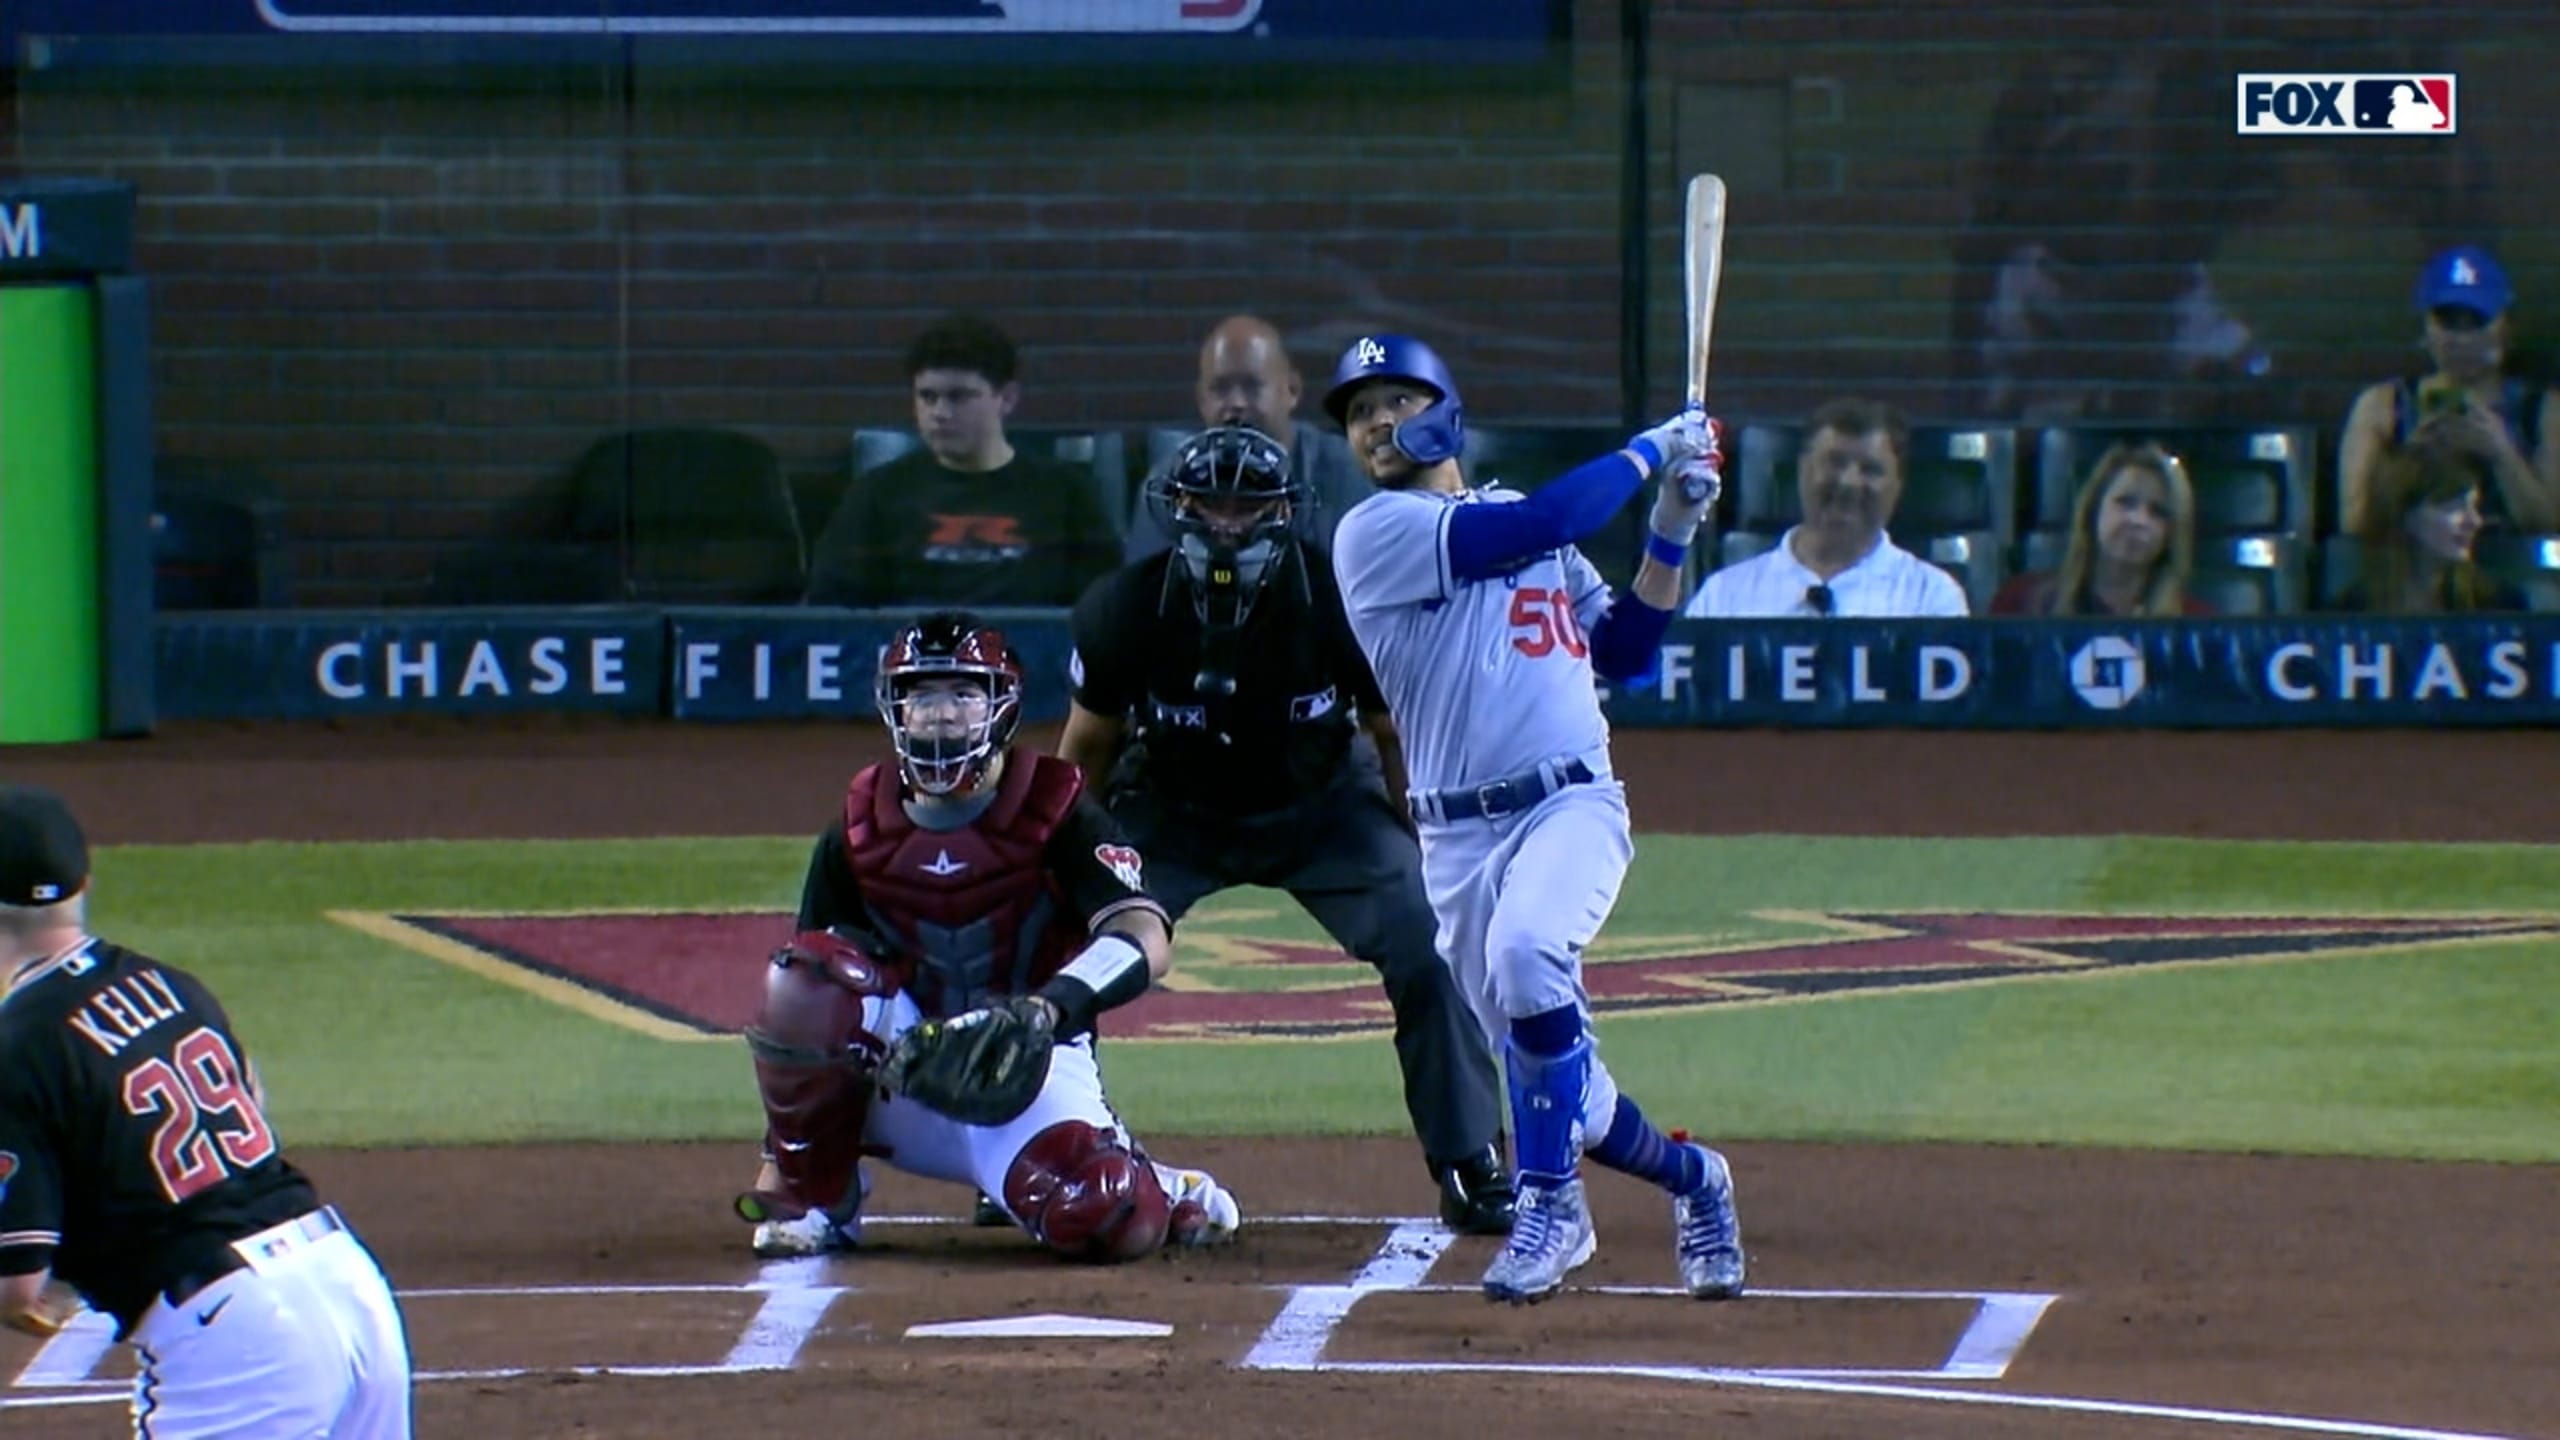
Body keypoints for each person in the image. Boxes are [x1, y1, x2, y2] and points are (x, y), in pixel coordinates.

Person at [1320, 333, 1746, 1306]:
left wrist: (1671, 531)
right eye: (1358, 413)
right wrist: (1655, 450)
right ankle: (1698, 1179)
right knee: (1569, 1097)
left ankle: (1549, 1204)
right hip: (1455, 841)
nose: (1376, 424)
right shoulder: (1374, 533)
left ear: (1447, 411)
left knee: (1526, 954)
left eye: (1395, 401)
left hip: (1569, 801)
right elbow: (1551, 516)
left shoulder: (1520, 521)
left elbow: (1624, 653)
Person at [1060, 423, 1515, 1236]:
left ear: (1283, 511)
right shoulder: (1123, 605)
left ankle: (1469, 1155)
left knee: (1429, 937)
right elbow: (1086, 750)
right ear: (1178, 506)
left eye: (1249, 506)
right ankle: (1038, 1142)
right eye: (1211, 503)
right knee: (1057, 939)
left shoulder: (1342, 596)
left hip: (1322, 806)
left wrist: (1432, 851)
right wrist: (1062, 868)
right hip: (1171, 808)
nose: (1227, 524)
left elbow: (1392, 734)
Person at [736, 612, 1242, 1262]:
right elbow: (807, 992)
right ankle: (819, 1197)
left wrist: (1047, 1008)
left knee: (1103, 1216)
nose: (942, 715)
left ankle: (1160, 1188)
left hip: (1029, 1062)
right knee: (805, 980)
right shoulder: (862, 821)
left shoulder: (1057, 808)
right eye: (923, 696)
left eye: (963, 694)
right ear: (895, 708)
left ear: (1001, 707)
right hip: (909, 1066)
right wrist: (779, 1165)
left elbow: (1143, 933)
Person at [0, 785, 413, 1437]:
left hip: (239, 1339)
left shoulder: (16, 1044)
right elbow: (253, 1109)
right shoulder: (172, 984)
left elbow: (18, 1287)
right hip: (349, 1283)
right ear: (85, 882)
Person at [804, 313, 1122, 608]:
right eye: (927, 397)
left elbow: (1104, 610)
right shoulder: (877, 495)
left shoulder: (1065, 494)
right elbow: (832, 612)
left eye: (958, 397)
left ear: (1007, 398)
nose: (940, 413)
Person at [2337, 246, 2559, 535]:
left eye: (2476, 322)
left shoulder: (2541, 411)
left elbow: (2552, 527)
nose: (2462, 339)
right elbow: (2354, 526)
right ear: (2426, 330)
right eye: (2449, 323)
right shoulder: (2384, 406)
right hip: (2414, 562)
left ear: (2506, 329)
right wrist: (2412, 461)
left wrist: (2502, 453)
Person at [1683, 398, 1972, 619]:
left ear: (1897, 485)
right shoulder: (1724, 596)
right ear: (1802, 470)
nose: (1849, 483)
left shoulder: (1931, 597)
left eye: (1870, 469)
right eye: (1835, 462)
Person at [1122, 315, 1373, 560]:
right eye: (1220, 388)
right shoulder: (1167, 483)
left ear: (1292, 390)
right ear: (1201, 400)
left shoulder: (1347, 471)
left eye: (1252, 387)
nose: (1236, 403)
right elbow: (1145, 581)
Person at [1991, 441, 2211, 617]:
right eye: (2125, 502)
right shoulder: (2020, 602)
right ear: (2093, 510)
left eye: (2158, 512)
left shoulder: (2196, 622)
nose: (2138, 521)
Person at [2340, 437, 2529, 614]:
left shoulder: (2499, 604)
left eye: (2474, 506)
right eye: (2453, 506)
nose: (2475, 521)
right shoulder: (2353, 611)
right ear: (2407, 515)